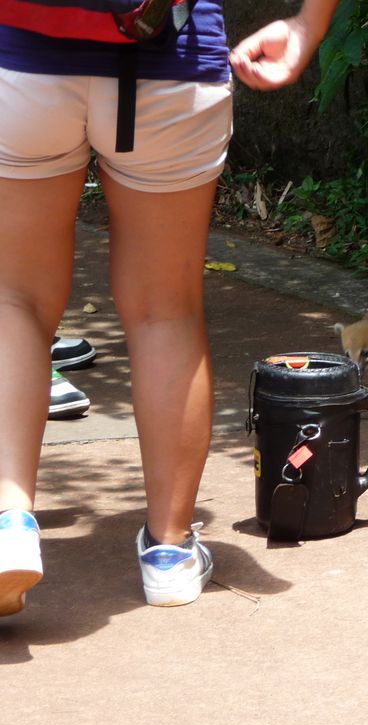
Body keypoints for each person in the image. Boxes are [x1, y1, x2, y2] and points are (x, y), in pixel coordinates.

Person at [0, 0, 342, 616]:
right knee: (166, 310)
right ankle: (170, 552)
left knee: (13, 299)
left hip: (22, 59)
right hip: (172, 60)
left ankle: (8, 521)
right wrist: (307, 24)